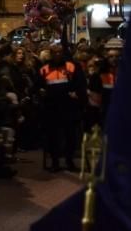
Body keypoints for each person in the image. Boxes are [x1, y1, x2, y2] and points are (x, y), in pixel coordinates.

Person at [38, 44, 86, 172]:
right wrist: (40, 91)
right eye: (55, 52)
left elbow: (80, 83)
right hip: (51, 107)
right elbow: (38, 84)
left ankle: (69, 160)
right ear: (51, 54)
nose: (58, 54)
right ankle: (55, 161)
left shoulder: (72, 66)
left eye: (60, 52)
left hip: (68, 106)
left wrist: (76, 93)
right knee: (53, 136)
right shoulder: (44, 68)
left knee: (70, 135)